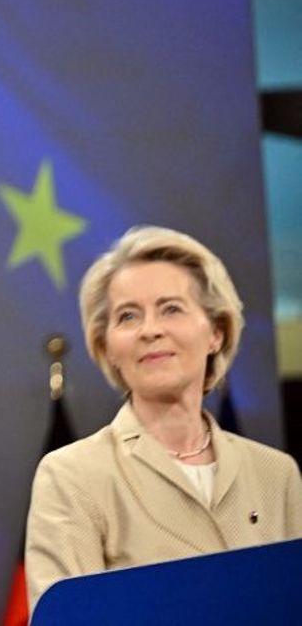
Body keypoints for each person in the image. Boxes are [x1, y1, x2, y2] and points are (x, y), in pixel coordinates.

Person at [25, 226, 302, 612]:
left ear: (216, 332)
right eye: (128, 316)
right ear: (108, 346)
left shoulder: (277, 474)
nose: (150, 330)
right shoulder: (71, 476)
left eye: (171, 308)